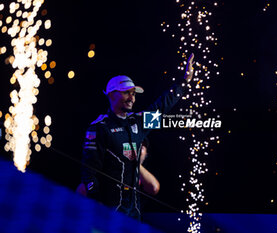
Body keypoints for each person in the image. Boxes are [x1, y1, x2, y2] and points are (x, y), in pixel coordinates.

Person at [80, 53, 194, 219]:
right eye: (126, 93)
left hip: (133, 210)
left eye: (133, 93)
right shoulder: (99, 128)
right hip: (106, 210)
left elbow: (161, 107)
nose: (132, 98)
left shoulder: (138, 122)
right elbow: (88, 170)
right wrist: (95, 202)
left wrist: (184, 83)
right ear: (112, 95)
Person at [77, 138, 160, 196]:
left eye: (140, 147)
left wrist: (134, 162)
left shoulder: (142, 177)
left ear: (146, 155)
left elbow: (154, 188)